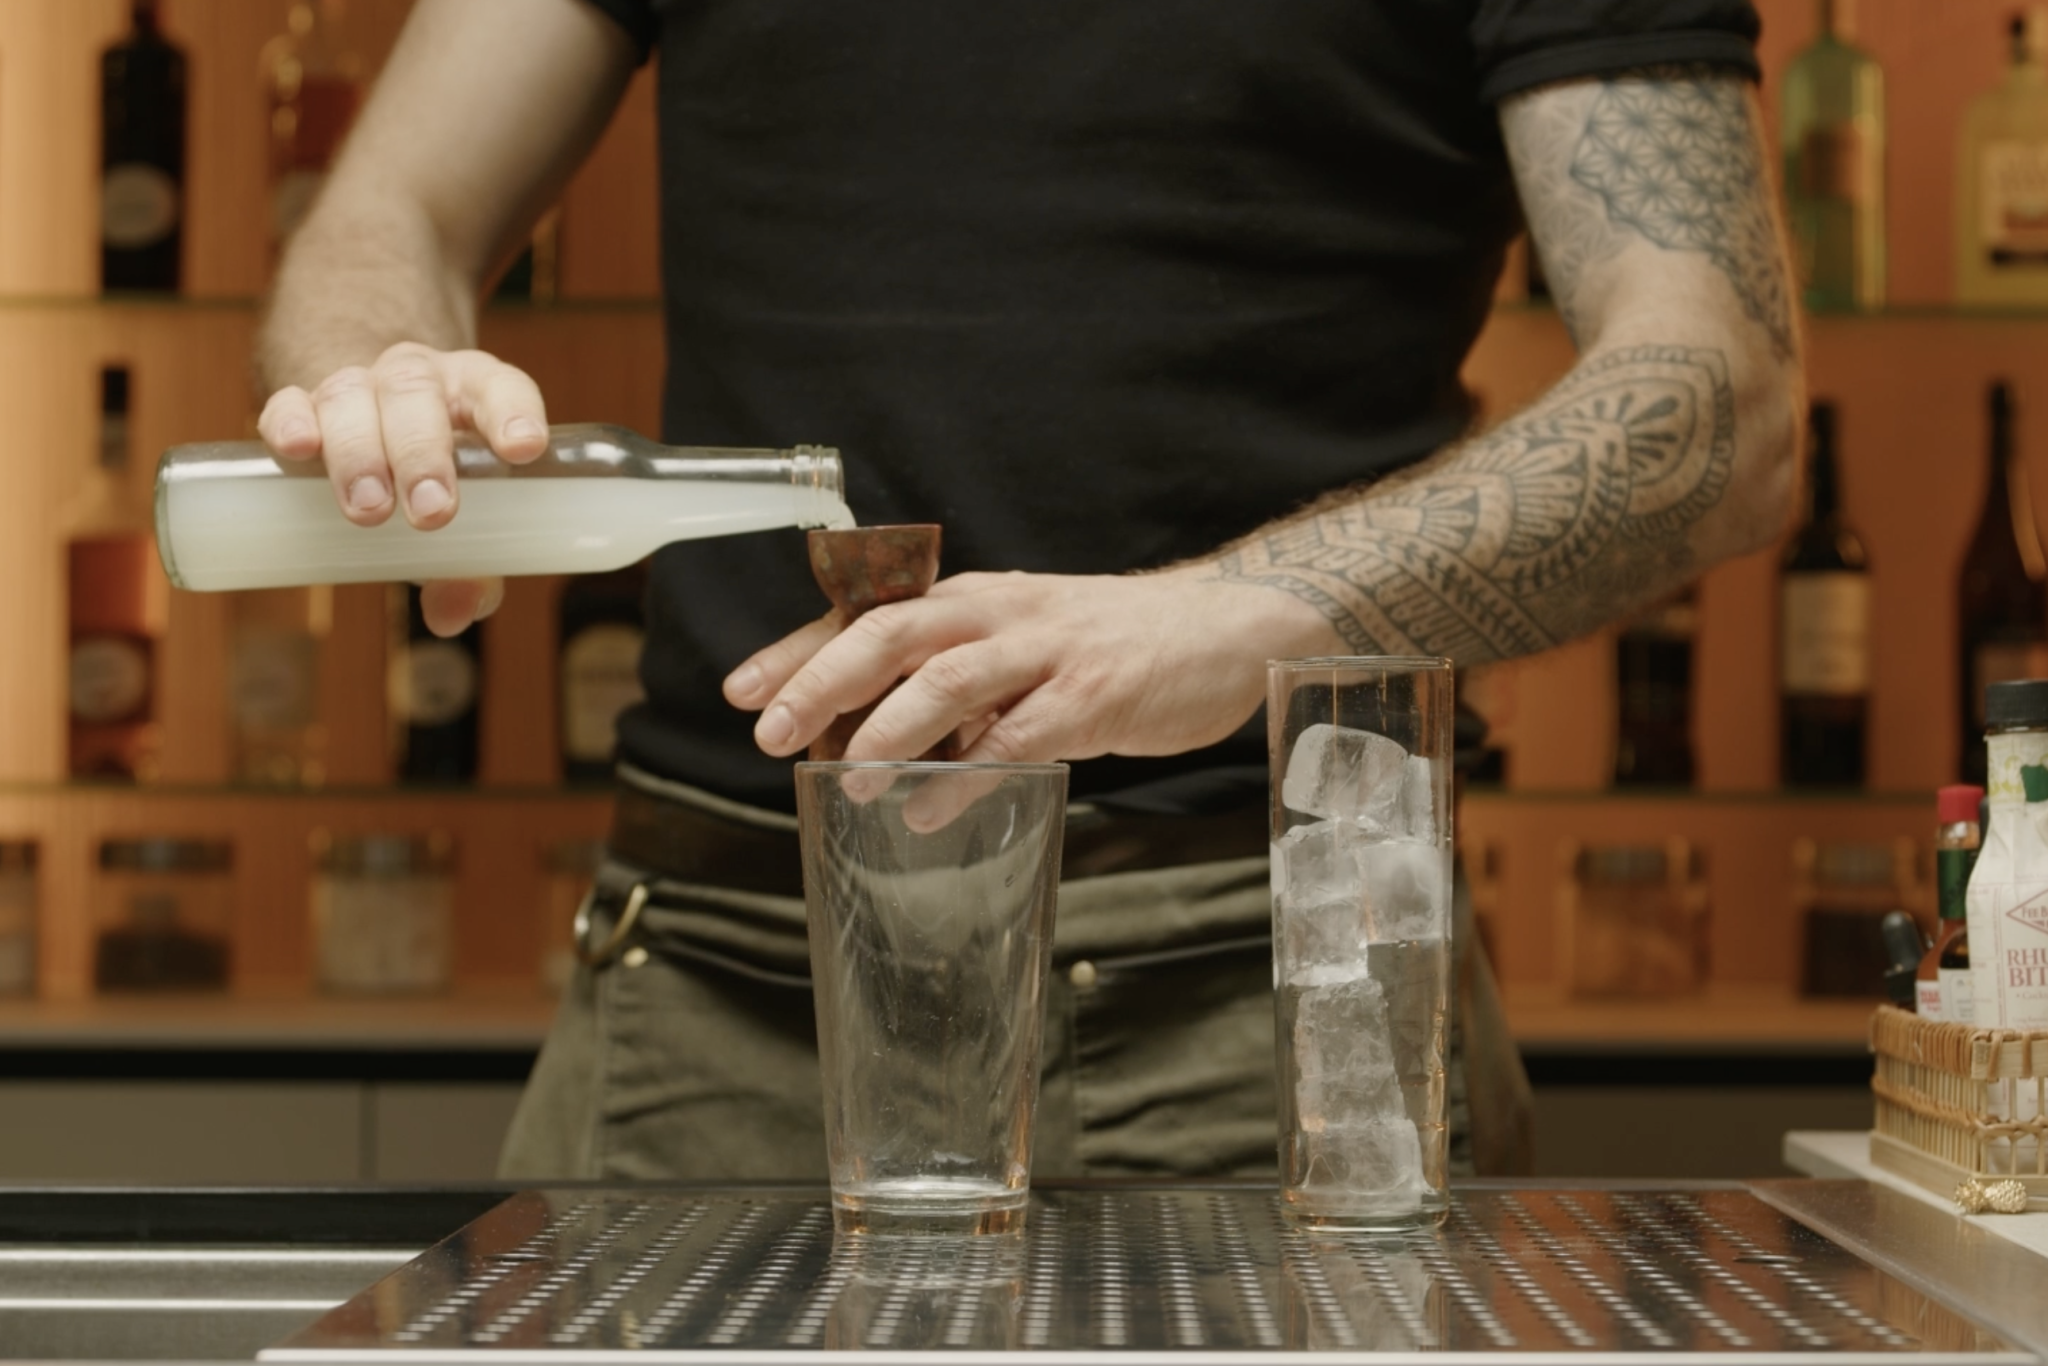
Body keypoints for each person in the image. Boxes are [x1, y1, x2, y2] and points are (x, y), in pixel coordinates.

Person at [256, 0, 1800, 1180]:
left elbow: (1724, 399)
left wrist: (1219, 621)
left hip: (1271, 990)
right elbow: (392, 218)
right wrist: (377, 375)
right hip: (730, 984)